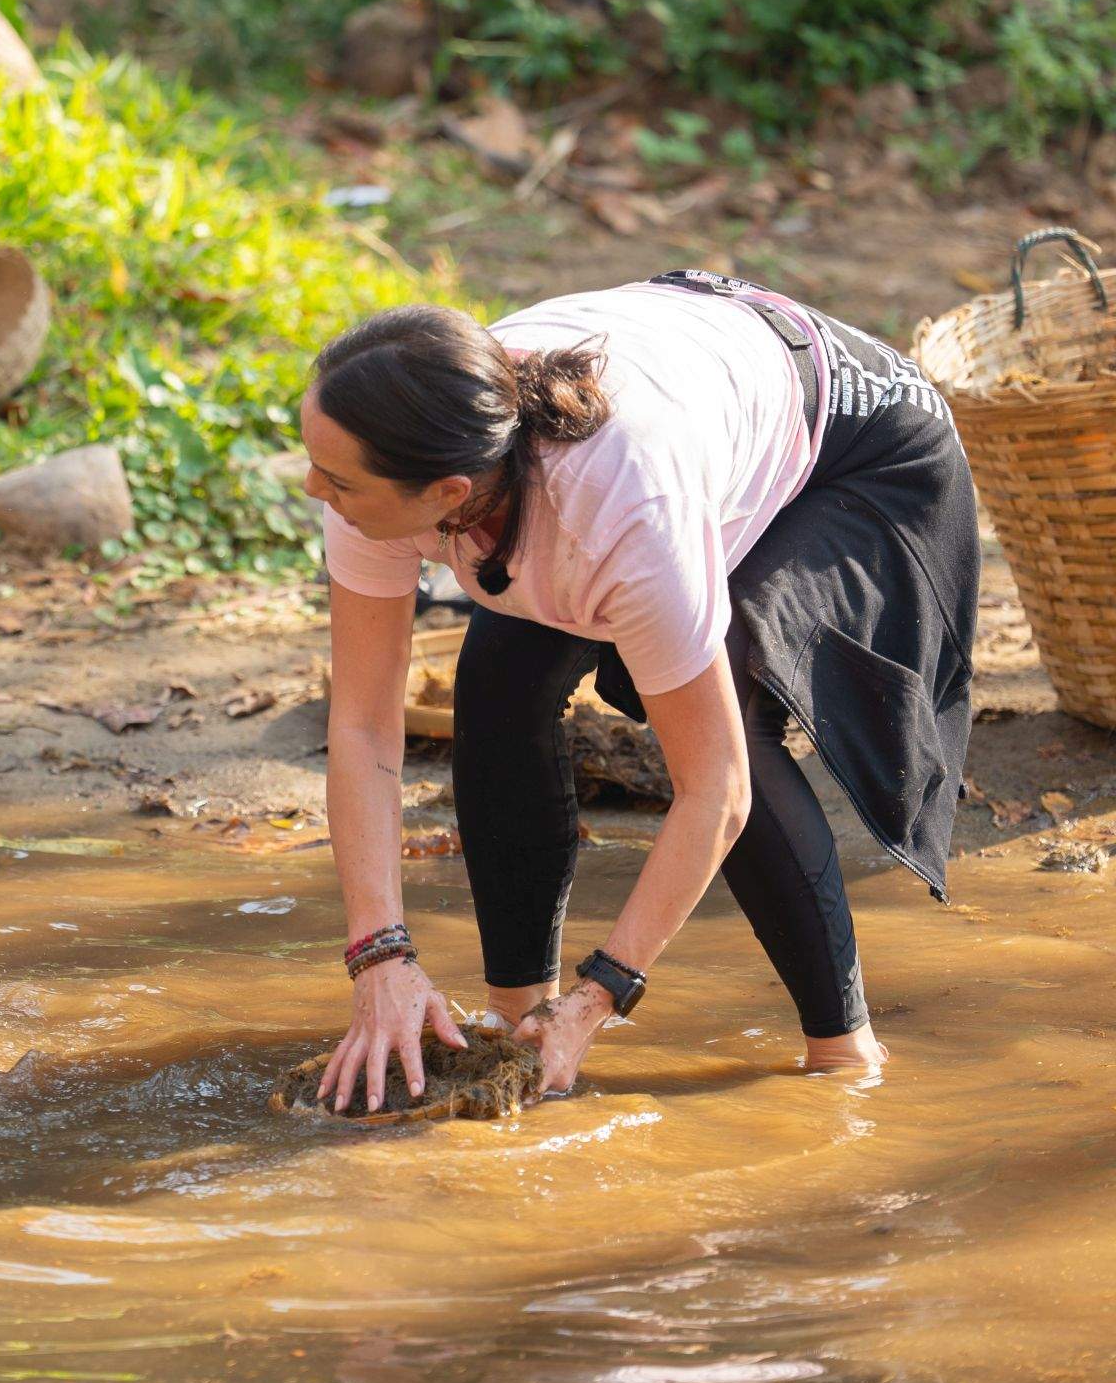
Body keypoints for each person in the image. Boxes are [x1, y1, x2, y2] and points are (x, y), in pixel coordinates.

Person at [302, 274, 978, 1109]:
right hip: (676, 398)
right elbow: (364, 726)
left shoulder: (622, 508)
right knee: (498, 678)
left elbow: (715, 789)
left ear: (446, 495)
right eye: (316, 466)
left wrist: (599, 997)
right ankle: (515, 1027)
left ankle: (844, 1061)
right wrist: (381, 959)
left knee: (731, 700)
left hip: (857, 445)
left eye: (334, 481)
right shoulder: (379, 459)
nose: (313, 491)